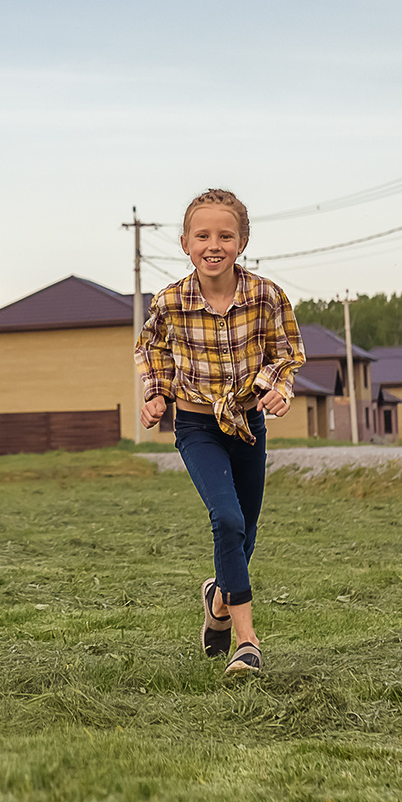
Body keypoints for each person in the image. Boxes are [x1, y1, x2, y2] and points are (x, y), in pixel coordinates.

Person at [138, 188, 305, 676]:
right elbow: (154, 352)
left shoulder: (266, 295)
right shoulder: (170, 302)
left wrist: (279, 389)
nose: (214, 245)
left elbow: (287, 351)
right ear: (186, 242)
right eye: (203, 235)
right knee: (227, 520)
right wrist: (157, 395)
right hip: (196, 425)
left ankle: (218, 600)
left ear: (242, 241)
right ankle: (247, 641)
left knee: (246, 532)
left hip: (249, 423)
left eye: (226, 235)